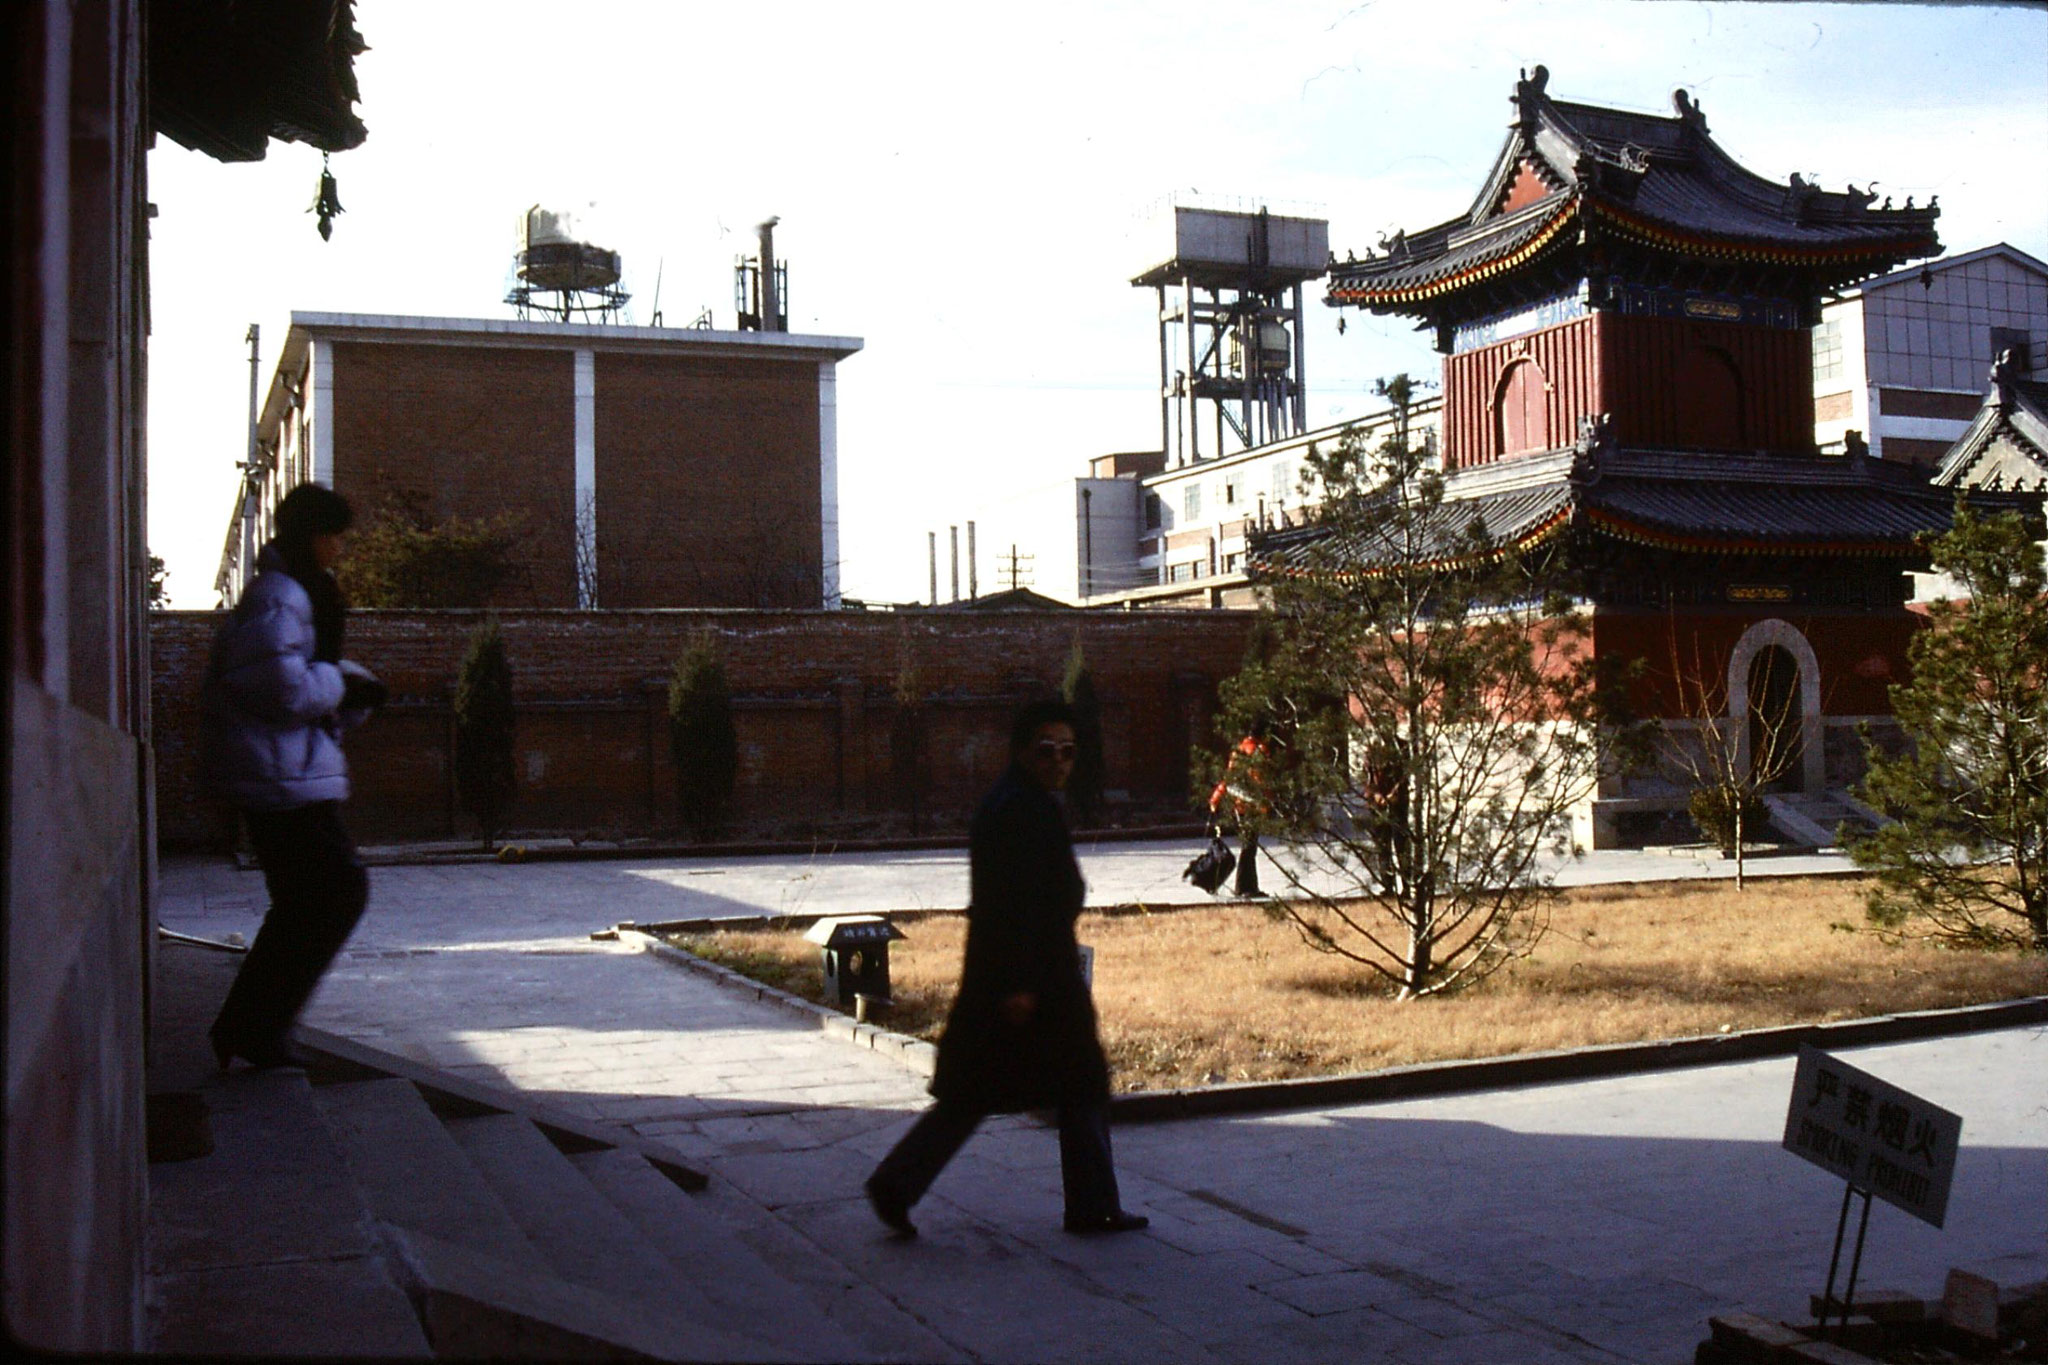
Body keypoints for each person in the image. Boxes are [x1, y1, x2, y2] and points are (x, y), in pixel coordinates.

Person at [864, 699, 1147, 1239]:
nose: (1059, 761)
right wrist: (1020, 984)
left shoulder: (1022, 801)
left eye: (1068, 751)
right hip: (1031, 979)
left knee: (977, 1092)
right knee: (1079, 1082)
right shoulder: (1021, 809)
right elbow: (1009, 902)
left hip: (1019, 976)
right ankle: (1091, 1206)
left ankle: (896, 1184)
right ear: (1022, 751)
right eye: (1047, 750)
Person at [202, 483, 385, 1069]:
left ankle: (252, 1027)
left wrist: (349, 682)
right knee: (332, 893)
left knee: (310, 899)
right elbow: (278, 685)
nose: (339, 549)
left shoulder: (300, 592)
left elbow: (304, 670)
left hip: (287, 770)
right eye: (334, 537)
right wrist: (343, 685)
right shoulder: (281, 595)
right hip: (275, 773)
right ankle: (253, 1027)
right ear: (311, 536)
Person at [1209, 728, 1270, 898]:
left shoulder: (1239, 750)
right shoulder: (1259, 750)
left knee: (1248, 846)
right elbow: (1261, 778)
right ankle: (1245, 887)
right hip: (1253, 804)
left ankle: (1247, 886)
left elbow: (1229, 777)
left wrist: (1216, 798)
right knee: (1249, 847)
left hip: (1240, 805)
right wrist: (1265, 801)